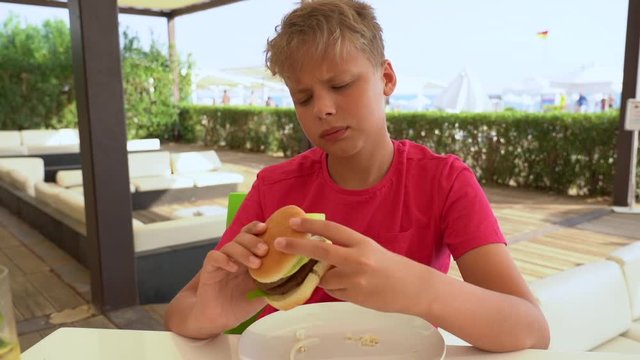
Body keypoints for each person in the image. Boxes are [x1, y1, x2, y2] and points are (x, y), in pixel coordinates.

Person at [165, 0, 550, 352]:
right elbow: (181, 310)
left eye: (340, 85)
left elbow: (531, 330)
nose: (324, 108)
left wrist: (421, 290)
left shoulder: (443, 180)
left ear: (386, 78)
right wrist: (209, 317)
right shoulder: (275, 186)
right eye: (304, 97)